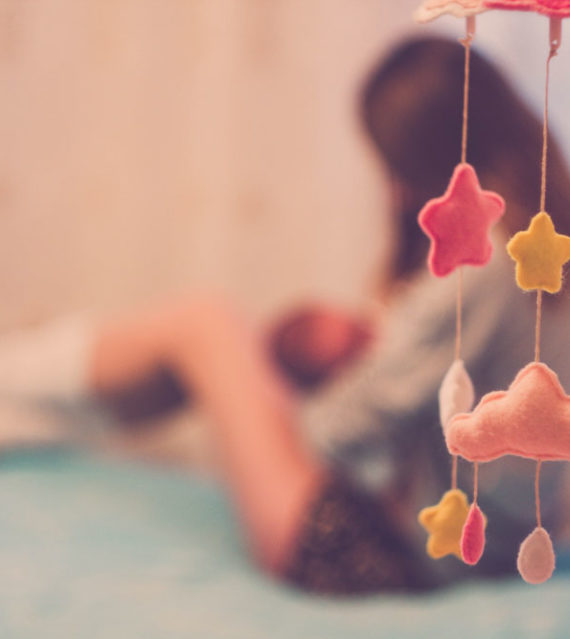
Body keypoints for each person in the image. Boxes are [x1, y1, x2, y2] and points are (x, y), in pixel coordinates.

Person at [3, 35, 570, 595]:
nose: (396, 195)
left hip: (381, 558)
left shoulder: (483, 262)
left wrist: (275, 392)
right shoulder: (540, 242)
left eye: (395, 167)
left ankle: (17, 396)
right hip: (453, 553)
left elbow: (335, 433)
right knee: (210, 339)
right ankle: (29, 408)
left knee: (206, 324)